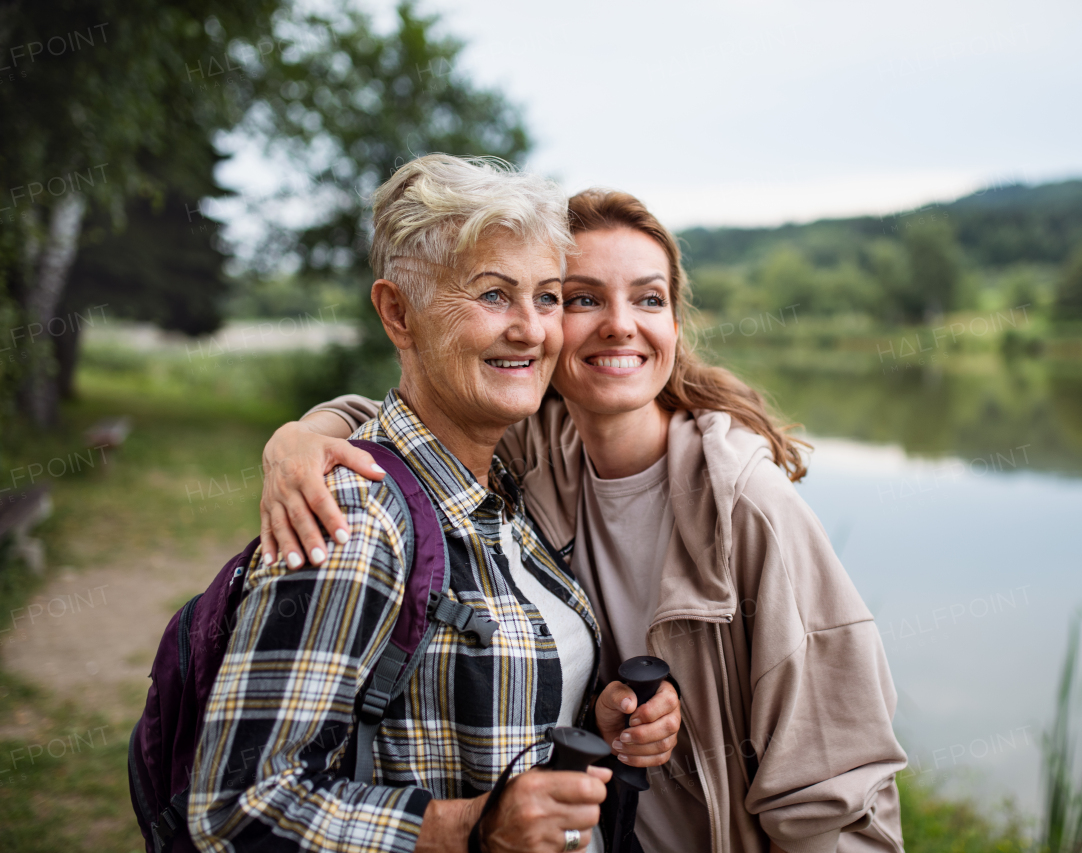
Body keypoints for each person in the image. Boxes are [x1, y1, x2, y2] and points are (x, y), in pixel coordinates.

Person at [260, 189, 908, 853]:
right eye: (582, 298)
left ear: (675, 327)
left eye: (649, 299)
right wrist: (304, 435)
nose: (621, 324)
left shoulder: (748, 507)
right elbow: (409, 413)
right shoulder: (534, 452)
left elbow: (835, 792)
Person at [189, 156, 681, 853]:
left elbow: (460, 716)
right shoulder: (356, 520)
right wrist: (471, 828)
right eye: (493, 295)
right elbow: (238, 809)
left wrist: (596, 722)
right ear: (398, 313)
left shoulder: (499, 489)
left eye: (545, 297)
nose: (532, 330)